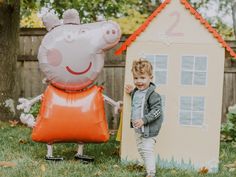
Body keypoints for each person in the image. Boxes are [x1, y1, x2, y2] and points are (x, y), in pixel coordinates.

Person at [125, 58, 163, 177]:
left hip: (149, 129)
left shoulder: (153, 95)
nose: (139, 81)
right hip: (138, 128)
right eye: (136, 78)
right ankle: (148, 167)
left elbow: (157, 111)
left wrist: (143, 120)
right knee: (141, 149)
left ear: (150, 78)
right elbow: (139, 103)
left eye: (142, 78)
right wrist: (131, 92)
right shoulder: (137, 92)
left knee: (147, 149)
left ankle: (151, 173)